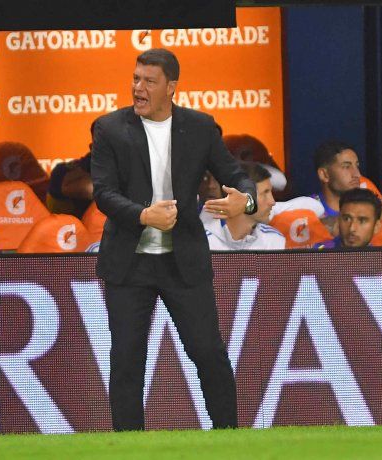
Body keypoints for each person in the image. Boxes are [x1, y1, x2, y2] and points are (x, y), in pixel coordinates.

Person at [91, 48, 256, 431]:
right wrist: (143, 215)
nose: (138, 88)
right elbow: (103, 193)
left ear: (171, 87)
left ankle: (229, 437)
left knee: (208, 351)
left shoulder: (200, 127)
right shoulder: (109, 129)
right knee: (127, 358)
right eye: (135, 79)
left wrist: (245, 201)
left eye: (149, 81)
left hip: (183, 260)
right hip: (129, 262)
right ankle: (129, 446)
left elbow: (237, 175)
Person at [203, 162, 284, 250]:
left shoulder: (274, 239)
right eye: (265, 193)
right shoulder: (204, 243)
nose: (272, 202)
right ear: (238, 197)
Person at [311, 141, 382, 233]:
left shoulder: (369, 202)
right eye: (346, 167)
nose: (357, 174)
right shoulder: (306, 210)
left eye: (357, 166)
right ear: (324, 175)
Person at [315, 188, 382, 249]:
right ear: (338, 220)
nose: (352, 228)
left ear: (376, 226)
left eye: (362, 221)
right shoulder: (318, 254)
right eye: (346, 219)